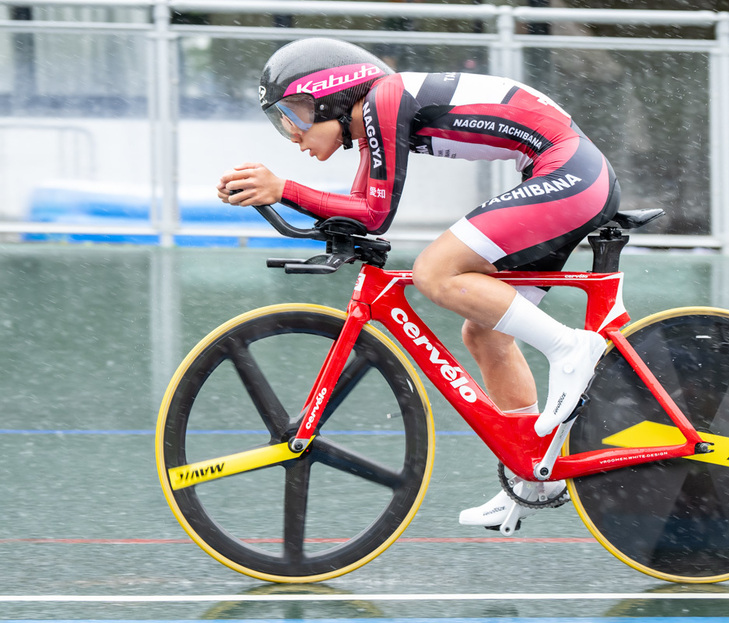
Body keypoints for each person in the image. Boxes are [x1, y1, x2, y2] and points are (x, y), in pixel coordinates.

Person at [217, 38, 621, 529]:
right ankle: (534, 476)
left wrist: (285, 189)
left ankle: (571, 349)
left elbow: (374, 213)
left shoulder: (384, 99)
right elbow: (361, 212)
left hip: (569, 173)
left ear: (330, 94)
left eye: (295, 115)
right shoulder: (375, 116)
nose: (293, 134)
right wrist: (289, 200)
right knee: (486, 333)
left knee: (435, 271)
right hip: (565, 173)